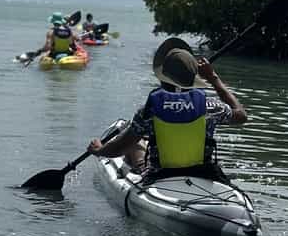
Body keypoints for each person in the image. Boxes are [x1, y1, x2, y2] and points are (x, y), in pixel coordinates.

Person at [87, 45, 246, 182]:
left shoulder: (149, 111)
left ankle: (140, 164)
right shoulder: (211, 106)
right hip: (203, 173)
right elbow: (241, 115)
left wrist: (99, 150)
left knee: (134, 141)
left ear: (162, 79)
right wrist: (214, 78)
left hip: (161, 176)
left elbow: (117, 149)